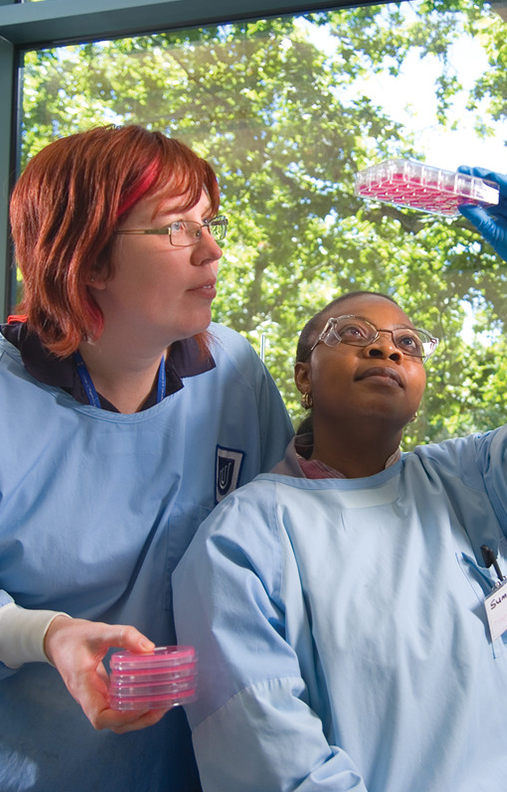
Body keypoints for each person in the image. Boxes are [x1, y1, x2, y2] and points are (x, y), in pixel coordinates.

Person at [172, 169, 507, 792]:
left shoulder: (469, 484)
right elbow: (268, 753)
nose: (387, 351)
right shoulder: (244, 539)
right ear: (303, 376)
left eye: (407, 343)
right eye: (352, 336)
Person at [0, 124, 293, 792]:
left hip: (199, 771)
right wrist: (48, 635)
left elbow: (286, 540)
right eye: (177, 230)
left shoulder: (233, 373)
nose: (213, 251)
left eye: (209, 224)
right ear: (88, 259)